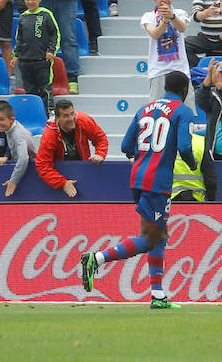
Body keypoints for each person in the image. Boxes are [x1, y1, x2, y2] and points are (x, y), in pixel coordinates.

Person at [80, 71, 195, 309]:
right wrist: (192, 163)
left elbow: (125, 145)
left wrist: (142, 157)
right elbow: (184, 146)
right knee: (151, 238)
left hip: (137, 178)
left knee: (159, 237)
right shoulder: (182, 111)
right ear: (184, 90)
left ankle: (158, 295)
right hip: (158, 182)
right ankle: (97, 258)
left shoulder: (145, 108)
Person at [34, 99, 108, 195]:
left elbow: (100, 139)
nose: (71, 118)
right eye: (66, 115)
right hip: (59, 172)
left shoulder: (83, 120)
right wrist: (62, 183)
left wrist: (100, 153)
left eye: (72, 113)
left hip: (83, 169)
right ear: (57, 118)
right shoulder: (50, 134)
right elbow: (42, 165)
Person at [11, 0, 59, 116]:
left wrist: (51, 51)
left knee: (45, 89)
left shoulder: (46, 14)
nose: (30, 2)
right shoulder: (23, 17)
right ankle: (34, 114)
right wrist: (16, 56)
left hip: (42, 60)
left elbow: (55, 34)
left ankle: (50, 112)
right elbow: (19, 38)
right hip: (26, 61)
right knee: (29, 89)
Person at [142, 0, 192, 105]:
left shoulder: (180, 13)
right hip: (158, 71)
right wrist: (164, 21)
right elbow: (154, 34)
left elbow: (182, 28)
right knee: (157, 111)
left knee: (186, 111)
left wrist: (172, 17)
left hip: (180, 69)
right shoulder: (148, 16)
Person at [0, 100, 36, 197]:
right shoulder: (12, 127)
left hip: (31, 170)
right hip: (21, 167)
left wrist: (13, 181)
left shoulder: (17, 134)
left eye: (1, 119)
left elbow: (23, 159)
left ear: (12, 119)